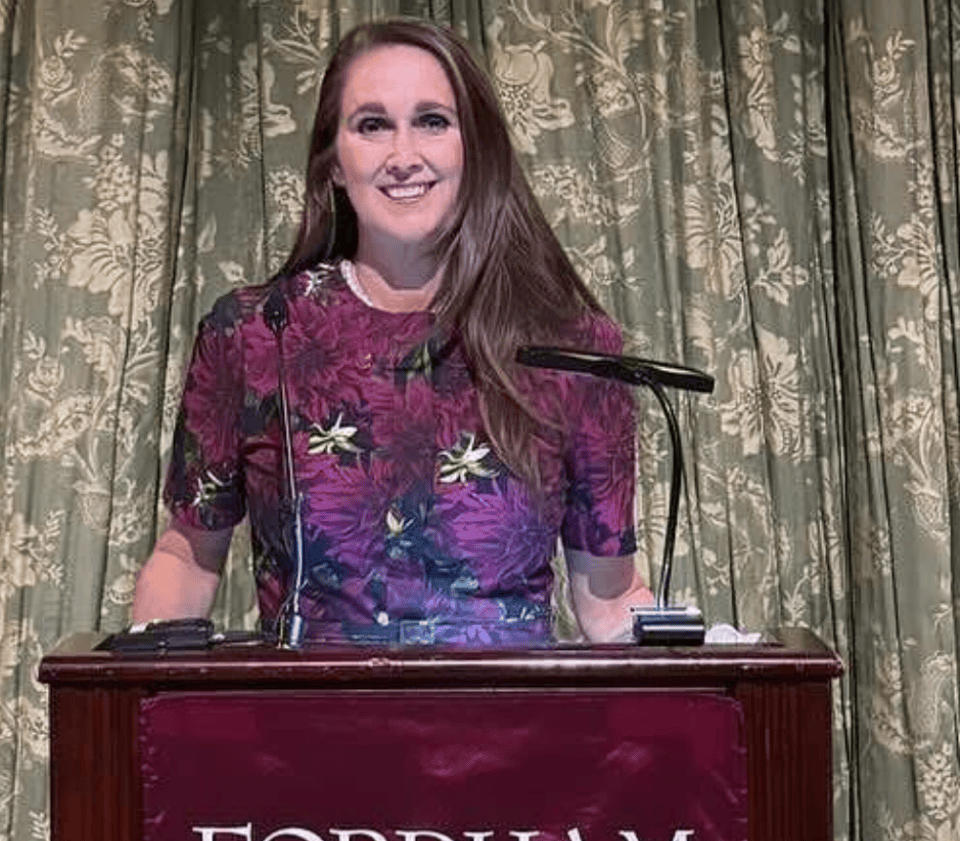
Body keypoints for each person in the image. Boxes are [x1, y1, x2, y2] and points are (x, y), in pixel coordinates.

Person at [131, 17, 655, 645]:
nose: (403, 157)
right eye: (372, 125)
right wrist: (143, 699)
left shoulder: (574, 350)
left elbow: (609, 600)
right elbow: (188, 556)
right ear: (332, 161)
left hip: (509, 734)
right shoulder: (252, 333)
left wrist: (716, 667)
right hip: (305, 734)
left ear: (476, 149)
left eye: (432, 121)